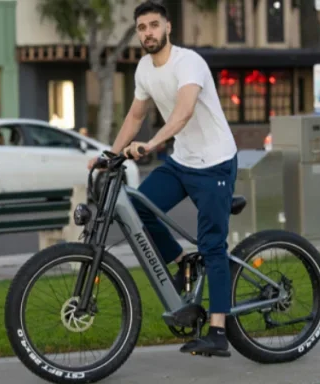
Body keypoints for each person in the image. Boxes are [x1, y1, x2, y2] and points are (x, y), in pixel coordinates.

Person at [87, 1, 238, 357]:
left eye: (154, 25)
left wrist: (152, 145)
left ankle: (218, 331)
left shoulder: (189, 63)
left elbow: (184, 111)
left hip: (215, 163)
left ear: (168, 27)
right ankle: (180, 261)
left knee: (212, 245)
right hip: (182, 161)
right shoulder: (143, 68)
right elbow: (135, 115)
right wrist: (111, 156)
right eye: (142, 27)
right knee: (138, 208)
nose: (148, 33)